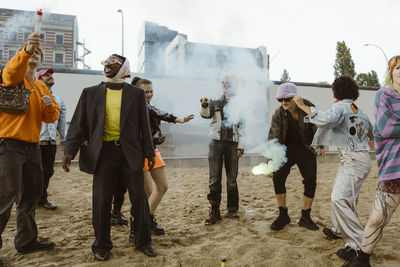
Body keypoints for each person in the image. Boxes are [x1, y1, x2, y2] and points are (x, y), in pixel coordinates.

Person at [62, 54, 157, 261]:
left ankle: (143, 241)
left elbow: (145, 127)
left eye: (112, 65)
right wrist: (70, 149)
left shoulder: (137, 94)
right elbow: (78, 124)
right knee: (102, 201)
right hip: (103, 154)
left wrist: (149, 153)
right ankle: (101, 244)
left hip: (130, 153)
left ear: (123, 69)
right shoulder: (90, 93)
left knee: (139, 199)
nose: (107, 68)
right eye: (105, 64)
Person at [293, 76, 373, 263]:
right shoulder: (358, 110)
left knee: (339, 199)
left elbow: (325, 119)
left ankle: (360, 246)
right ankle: (341, 232)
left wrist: (303, 106)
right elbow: (372, 131)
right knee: (345, 199)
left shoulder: (339, 107)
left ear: (336, 91)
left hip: (352, 159)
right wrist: (320, 144)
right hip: (359, 158)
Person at [0, 33, 59, 254]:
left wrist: (50, 106)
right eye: (31, 52)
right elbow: (11, 71)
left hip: (32, 147)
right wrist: (26, 50)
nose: (35, 54)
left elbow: (50, 117)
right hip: (9, 145)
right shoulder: (13, 78)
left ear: (41, 62)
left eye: (38, 53)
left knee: (31, 195)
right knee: (5, 195)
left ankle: (26, 241)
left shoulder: (41, 87)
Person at [112, 77, 194, 235]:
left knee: (157, 190)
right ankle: (140, 223)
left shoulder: (146, 107)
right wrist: (179, 119)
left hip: (150, 151)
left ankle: (145, 221)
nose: (149, 95)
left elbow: (151, 128)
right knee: (152, 191)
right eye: (145, 92)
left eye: (151, 91)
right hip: (138, 154)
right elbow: (159, 113)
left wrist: (157, 139)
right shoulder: (136, 107)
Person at [345, 56, 400, 267]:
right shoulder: (383, 95)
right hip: (394, 167)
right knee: (378, 219)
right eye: (399, 68)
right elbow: (386, 128)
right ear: (391, 71)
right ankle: (362, 259)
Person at [268, 82, 323, 231]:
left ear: (296, 98)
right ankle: (283, 215)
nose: (284, 102)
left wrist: (320, 146)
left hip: (307, 149)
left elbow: (318, 126)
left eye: (287, 99)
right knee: (277, 177)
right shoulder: (278, 114)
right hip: (286, 150)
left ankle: (305, 217)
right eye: (281, 100)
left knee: (310, 181)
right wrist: (271, 163)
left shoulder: (308, 106)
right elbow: (274, 138)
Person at [200, 75, 244, 225]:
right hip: (216, 143)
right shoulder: (214, 100)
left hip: (233, 143)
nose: (225, 85)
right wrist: (205, 105)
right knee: (214, 179)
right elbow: (206, 115)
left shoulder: (240, 102)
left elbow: (244, 126)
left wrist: (241, 146)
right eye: (223, 83)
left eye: (228, 83)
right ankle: (214, 211)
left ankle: (232, 209)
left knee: (232, 180)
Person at [36, 68, 67, 210]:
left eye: (51, 74)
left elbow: (62, 121)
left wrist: (64, 140)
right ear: (39, 79)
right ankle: (29, 201)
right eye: (46, 75)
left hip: (50, 142)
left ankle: (42, 199)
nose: (50, 76)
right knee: (32, 172)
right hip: (34, 142)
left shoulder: (58, 99)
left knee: (48, 171)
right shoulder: (33, 95)